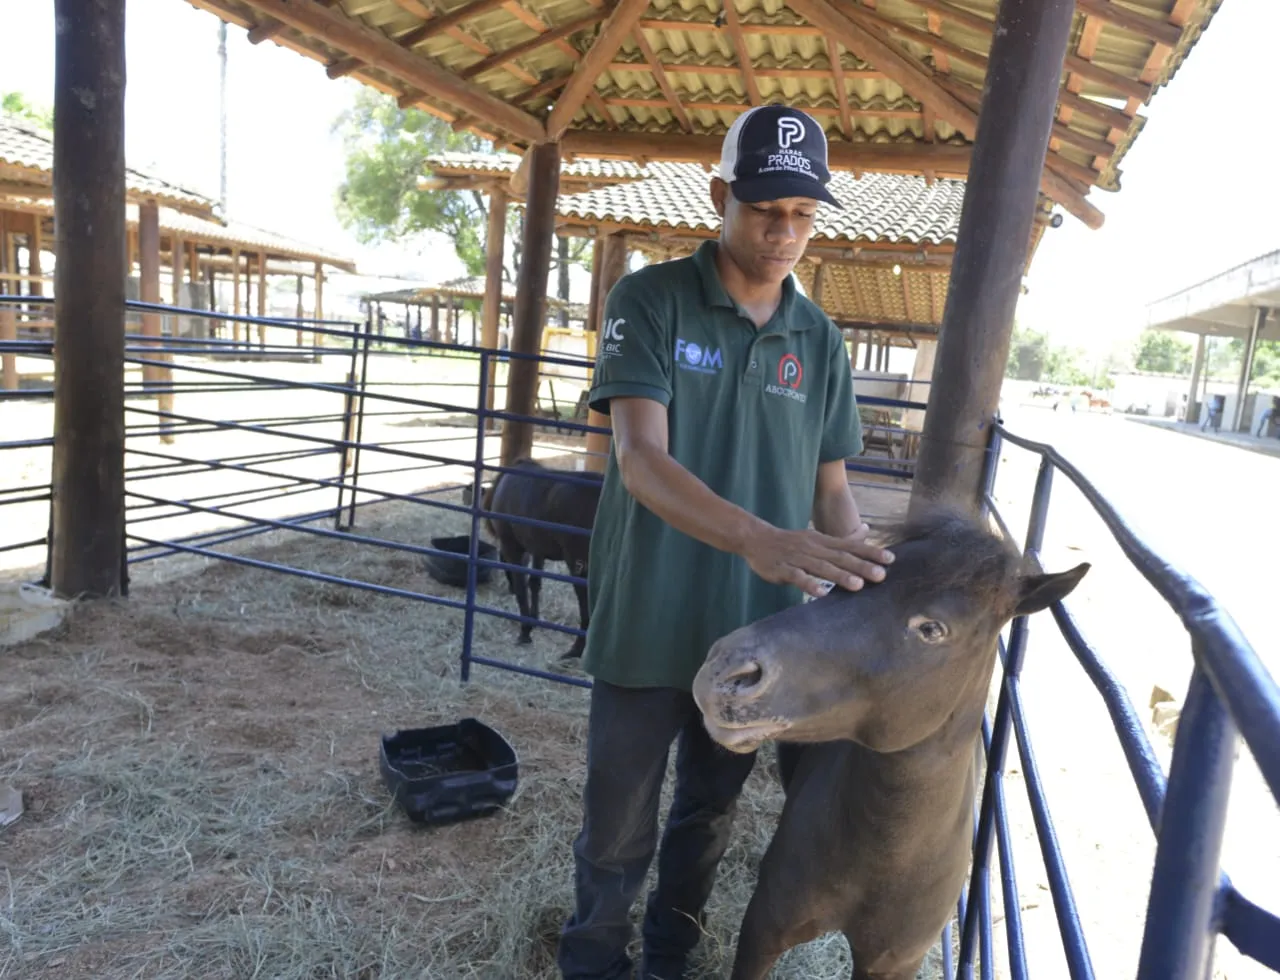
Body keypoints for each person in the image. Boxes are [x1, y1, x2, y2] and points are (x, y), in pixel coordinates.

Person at [556, 104, 894, 980]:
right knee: (618, 817)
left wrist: (875, 577)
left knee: (708, 813)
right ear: (721, 195)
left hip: (757, 639)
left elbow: (831, 495)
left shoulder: (818, 341)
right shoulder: (652, 300)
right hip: (648, 614)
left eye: (802, 216)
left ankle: (673, 956)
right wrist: (758, 540)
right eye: (765, 210)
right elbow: (638, 459)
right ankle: (595, 960)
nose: (783, 233)